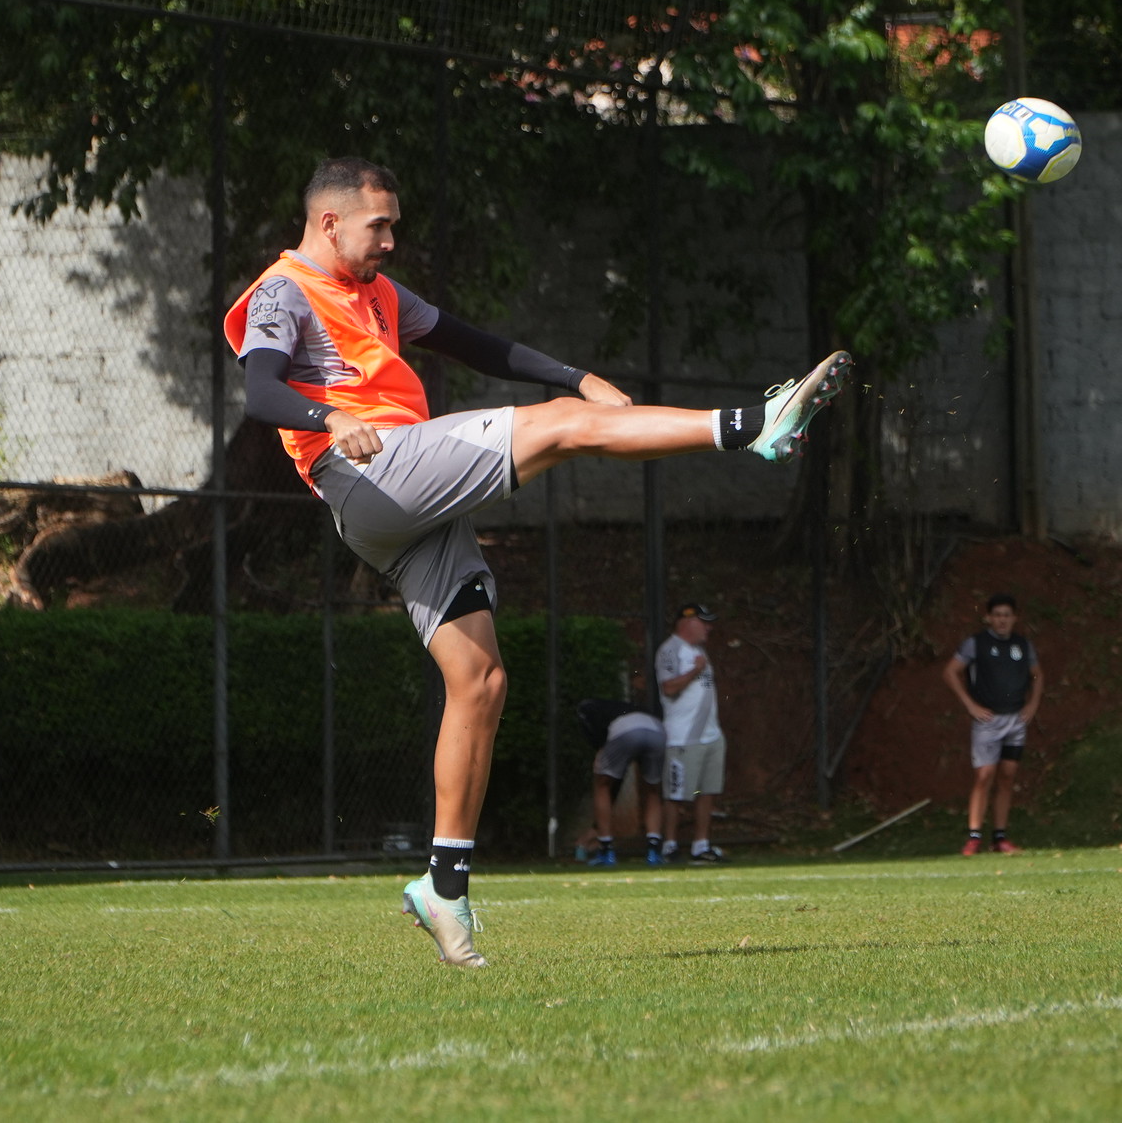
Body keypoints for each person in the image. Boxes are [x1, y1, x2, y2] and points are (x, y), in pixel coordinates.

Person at [223, 156, 850, 967]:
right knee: (560, 426)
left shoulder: (378, 292)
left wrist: (577, 374)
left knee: (481, 680)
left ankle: (444, 889)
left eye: (395, 226)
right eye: (380, 226)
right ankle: (753, 426)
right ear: (330, 222)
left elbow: (475, 343)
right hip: (368, 475)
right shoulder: (284, 290)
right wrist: (329, 415)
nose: (392, 240)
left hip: (406, 498)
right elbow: (261, 391)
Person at [941, 592, 1043, 856]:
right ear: (988, 617)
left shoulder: (1022, 645)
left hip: (1015, 720)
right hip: (988, 721)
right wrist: (970, 705)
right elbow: (950, 671)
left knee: (1007, 775)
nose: (1002, 620)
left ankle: (1000, 837)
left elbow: (1037, 675)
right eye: (997, 615)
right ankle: (974, 836)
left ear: (1014, 618)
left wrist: (1032, 705)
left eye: (1006, 615)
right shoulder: (976, 644)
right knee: (984, 775)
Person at [656, 603, 730, 865]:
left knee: (707, 791)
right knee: (676, 794)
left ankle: (701, 845)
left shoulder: (699, 650)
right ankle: (669, 845)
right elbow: (668, 687)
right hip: (683, 737)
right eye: (704, 622)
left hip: (711, 734)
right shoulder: (669, 650)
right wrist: (694, 671)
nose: (709, 627)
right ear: (687, 622)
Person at [578, 679, 667, 867]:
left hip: (626, 729)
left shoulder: (588, 708)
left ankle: (606, 849)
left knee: (601, 785)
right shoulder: (626, 708)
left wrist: (600, 750)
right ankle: (654, 851)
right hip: (657, 730)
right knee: (652, 790)